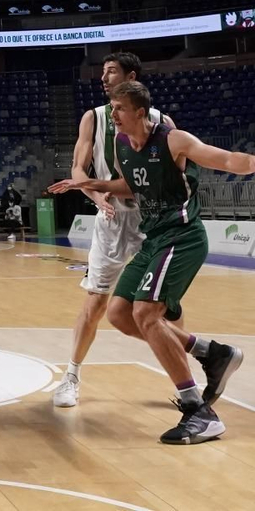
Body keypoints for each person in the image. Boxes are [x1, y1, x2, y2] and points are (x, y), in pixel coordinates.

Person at [49, 80, 249, 444]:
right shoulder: (122, 144)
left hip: (182, 235)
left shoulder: (173, 139)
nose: (114, 115)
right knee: (120, 313)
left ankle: (197, 411)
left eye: (120, 109)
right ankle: (211, 353)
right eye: (112, 109)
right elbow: (133, 184)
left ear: (141, 112)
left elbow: (228, 161)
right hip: (155, 238)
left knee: (146, 313)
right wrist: (91, 185)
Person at [52, 52, 175, 408]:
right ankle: (71, 376)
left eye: (111, 72)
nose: (103, 78)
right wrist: (96, 197)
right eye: (102, 73)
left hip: (153, 219)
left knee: (166, 306)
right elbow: (78, 168)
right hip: (113, 218)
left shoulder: (162, 121)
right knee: (96, 300)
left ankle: (188, 375)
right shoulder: (94, 117)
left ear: (130, 76)